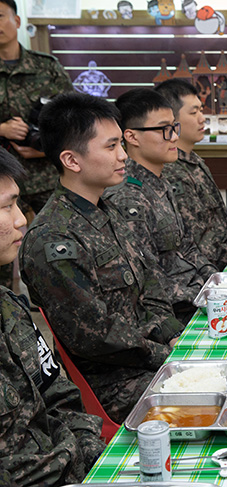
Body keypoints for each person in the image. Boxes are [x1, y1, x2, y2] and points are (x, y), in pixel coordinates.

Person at [19, 93, 184, 424]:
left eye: (121, 144)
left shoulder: (111, 210)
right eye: (111, 147)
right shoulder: (53, 239)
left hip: (153, 356)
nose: (124, 156)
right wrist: (168, 354)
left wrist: (173, 332)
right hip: (116, 384)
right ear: (72, 160)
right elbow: (95, 335)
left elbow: (151, 280)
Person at [0, 147, 106, 485]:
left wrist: (94, 460)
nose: (20, 219)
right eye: (6, 207)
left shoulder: (9, 307)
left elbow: (60, 397)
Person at [105, 88, 217, 323]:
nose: (174, 137)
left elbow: (188, 248)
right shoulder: (127, 198)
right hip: (176, 313)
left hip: (197, 295)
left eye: (174, 128)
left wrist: (218, 281)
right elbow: (148, 283)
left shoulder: (159, 182)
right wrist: (204, 295)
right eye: (164, 130)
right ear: (132, 137)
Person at [155, 79, 227, 271]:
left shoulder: (193, 160)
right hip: (208, 271)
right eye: (194, 113)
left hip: (226, 258)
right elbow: (193, 243)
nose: (202, 118)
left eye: (201, 110)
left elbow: (218, 223)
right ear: (171, 121)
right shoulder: (170, 170)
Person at [0, 0, 73, 214]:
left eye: (0, 16)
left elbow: (72, 116)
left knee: (60, 239)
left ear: (17, 20)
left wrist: (47, 148)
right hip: (3, 179)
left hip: (48, 176)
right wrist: (2, 129)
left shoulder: (47, 67)